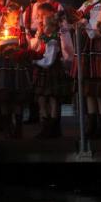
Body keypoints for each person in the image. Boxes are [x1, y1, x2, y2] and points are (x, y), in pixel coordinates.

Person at [70, 0, 101, 138]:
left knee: (97, 89)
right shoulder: (86, 5)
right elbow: (76, 22)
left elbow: (95, 31)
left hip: (95, 48)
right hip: (85, 48)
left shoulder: (100, 6)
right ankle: (91, 122)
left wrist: (82, 23)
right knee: (88, 89)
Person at [0, 2, 31, 138]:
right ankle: (7, 127)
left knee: (17, 98)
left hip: (17, 65)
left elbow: (29, 45)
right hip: (3, 66)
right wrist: (0, 44)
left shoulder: (22, 31)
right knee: (4, 97)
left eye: (18, 17)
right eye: (13, 16)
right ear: (5, 17)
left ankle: (18, 127)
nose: (16, 19)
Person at [31, 10, 67, 138]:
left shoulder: (53, 40)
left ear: (52, 26)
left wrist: (34, 60)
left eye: (45, 25)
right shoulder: (43, 38)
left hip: (50, 71)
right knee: (41, 99)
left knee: (53, 99)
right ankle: (45, 127)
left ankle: (54, 128)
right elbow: (34, 48)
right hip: (43, 71)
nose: (42, 27)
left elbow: (48, 61)